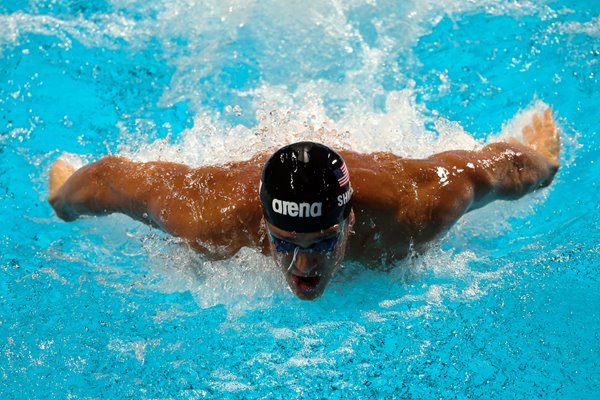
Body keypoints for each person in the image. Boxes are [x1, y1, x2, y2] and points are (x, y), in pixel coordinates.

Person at [48, 109, 560, 300]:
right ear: (264, 221)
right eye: (286, 244)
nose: (305, 266)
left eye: (323, 242)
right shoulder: (213, 218)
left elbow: (489, 170)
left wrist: (540, 165)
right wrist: (63, 200)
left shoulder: (412, 211)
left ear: (351, 218)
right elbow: (113, 181)